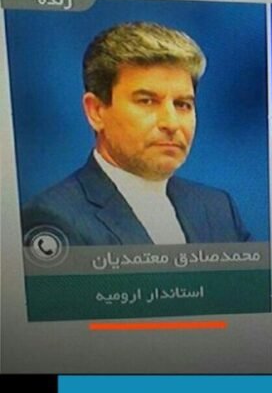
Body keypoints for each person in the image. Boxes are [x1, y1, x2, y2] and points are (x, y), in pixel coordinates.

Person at [21, 22, 251, 245]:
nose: (171, 123)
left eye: (182, 104)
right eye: (147, 101)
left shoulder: (218, 209)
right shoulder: (54, 218)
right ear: (96, 111)